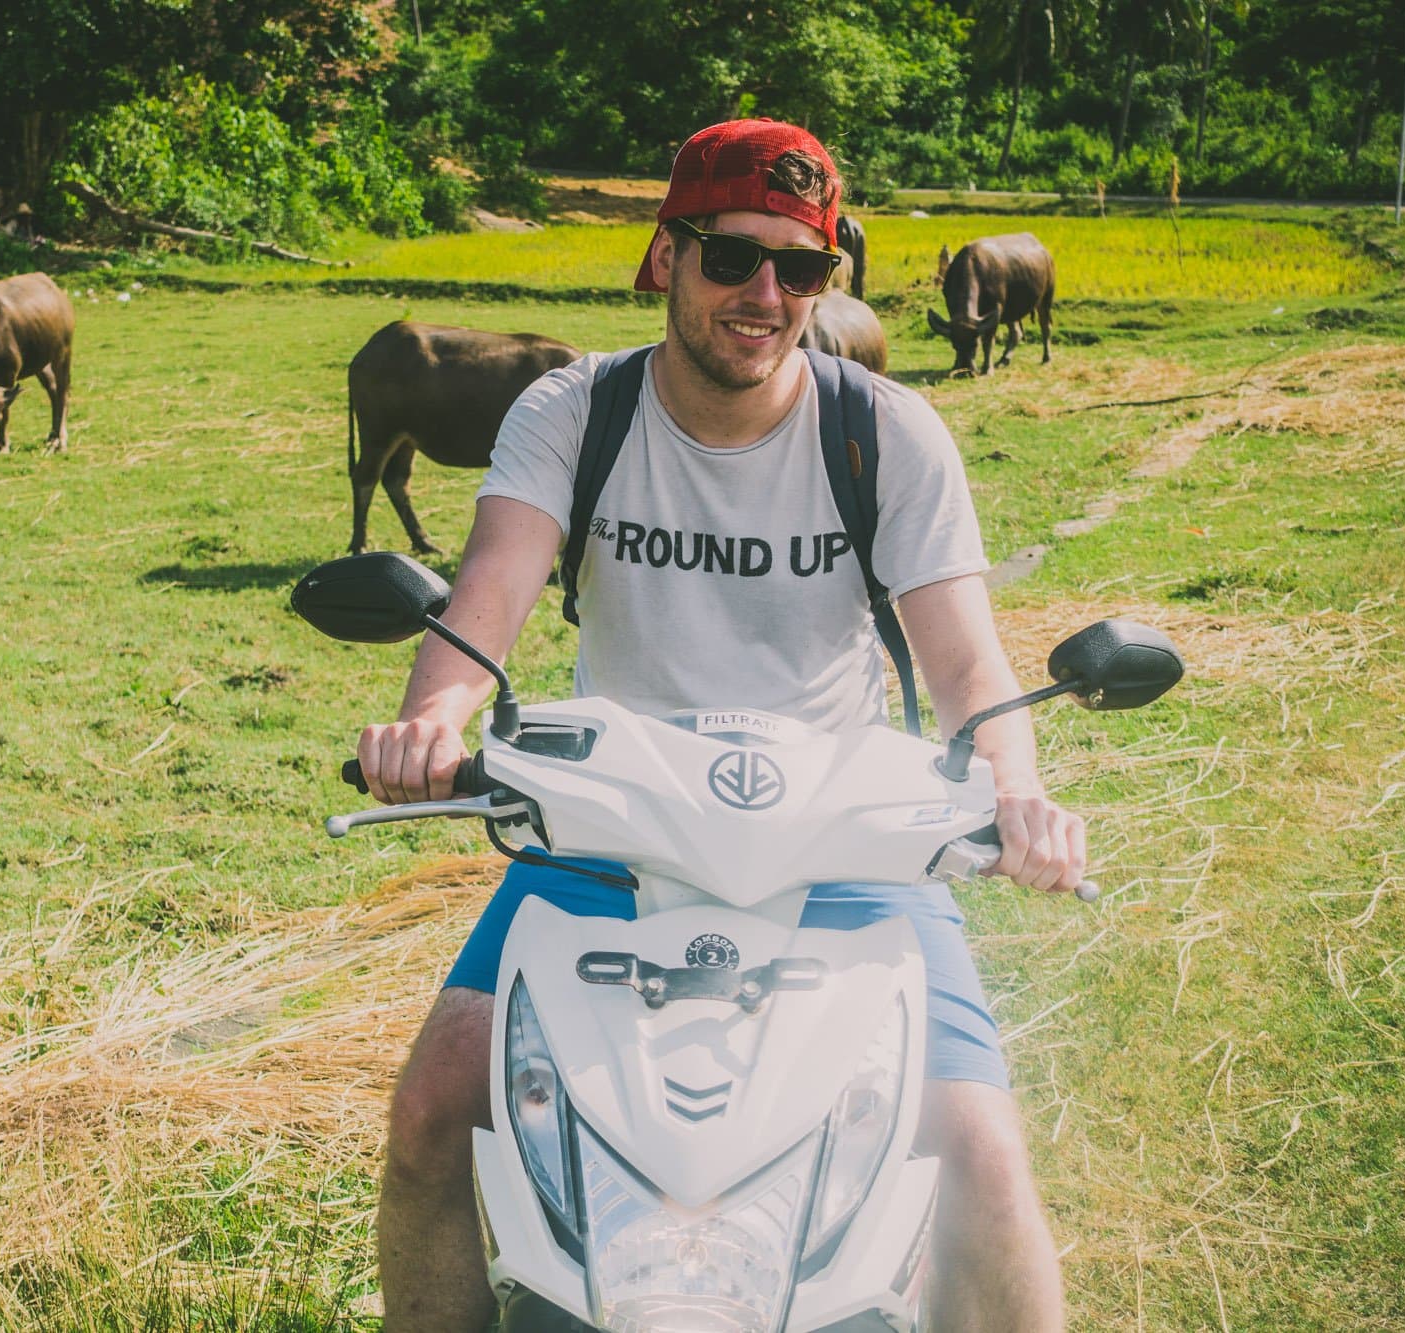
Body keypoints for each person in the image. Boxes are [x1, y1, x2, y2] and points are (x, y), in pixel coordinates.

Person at [355, 118, 1079, 1332]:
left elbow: (967, 667)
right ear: (663, 258)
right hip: (607, 830)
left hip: (839, 840)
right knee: (432, 1108)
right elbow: (485, 601)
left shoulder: (885, 434)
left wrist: (1015, 794)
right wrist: (430, 718)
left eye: (801, 268)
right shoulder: (573, 413)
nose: (765, 294)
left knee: (981, 1153)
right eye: (733, 257)